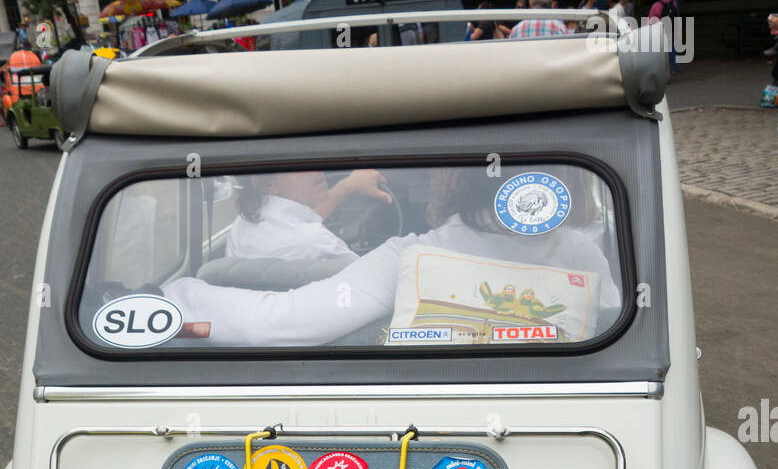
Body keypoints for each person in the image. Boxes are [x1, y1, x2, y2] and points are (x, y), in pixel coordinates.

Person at [165, 166, 621, 346]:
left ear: (451, 178)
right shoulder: (584, 256)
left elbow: (278, 321)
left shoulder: (411, 258)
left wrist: (175, 295)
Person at [226, 169, 393, 262]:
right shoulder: (318, 242)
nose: (317, 169)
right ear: (267, 183)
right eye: (301, 163)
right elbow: (369, 283)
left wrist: (348, 186)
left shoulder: (240, 226)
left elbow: (294, 225)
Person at [649, 0, 680, 73]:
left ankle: (663, 70)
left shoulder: (656, 5)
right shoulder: (673, 3)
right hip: (670, 27)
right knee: (671, 48)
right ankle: (675, 67)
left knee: (660, 50)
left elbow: (651, 19)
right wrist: (678, 28)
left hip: (659, 29)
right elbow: (677, 15)